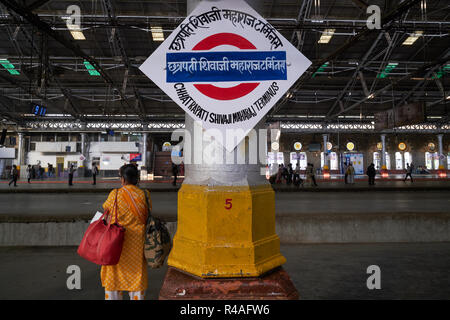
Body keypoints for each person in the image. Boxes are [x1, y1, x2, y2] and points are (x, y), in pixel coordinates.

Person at [101, 164, 151, 300]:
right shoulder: (145, 195)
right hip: (137, 246)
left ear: (123, 179)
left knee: (114, 278)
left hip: (116, 244)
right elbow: (147, 216)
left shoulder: (115, 194)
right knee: (136, 278)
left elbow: (106, 211)